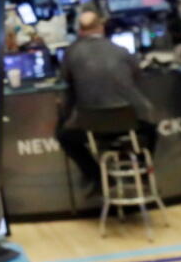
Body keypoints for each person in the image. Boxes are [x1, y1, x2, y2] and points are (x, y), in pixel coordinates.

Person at [56, 11, 156, 191]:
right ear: (101, 28)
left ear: (79, 31)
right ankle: (142, 173)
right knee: (152, 130)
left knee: (64, 136)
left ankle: (99, 179)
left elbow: (66, 83)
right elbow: (137, 78)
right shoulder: (121, 50)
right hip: (130, 123)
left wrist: (64, 117)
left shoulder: (71, 53)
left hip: (92, 126)